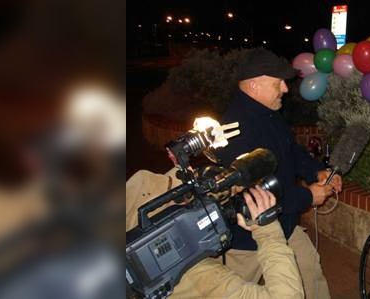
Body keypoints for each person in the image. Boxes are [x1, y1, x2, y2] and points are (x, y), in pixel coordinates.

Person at [215, 48, 340, 299]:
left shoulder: (270, 114)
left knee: (310, 274)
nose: (285, 88)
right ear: (253, 85)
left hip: (284, 224)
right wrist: (307, 197)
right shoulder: (233, 130)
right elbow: (255, 195)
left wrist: (317, 171)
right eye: (278, 83)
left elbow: (291, 150)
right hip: (246, 237)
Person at [125, 172, 304, 298]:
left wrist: (185, 178)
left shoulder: (136, 195)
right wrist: (268, 230)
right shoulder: (202, 279)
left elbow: (147, 184)